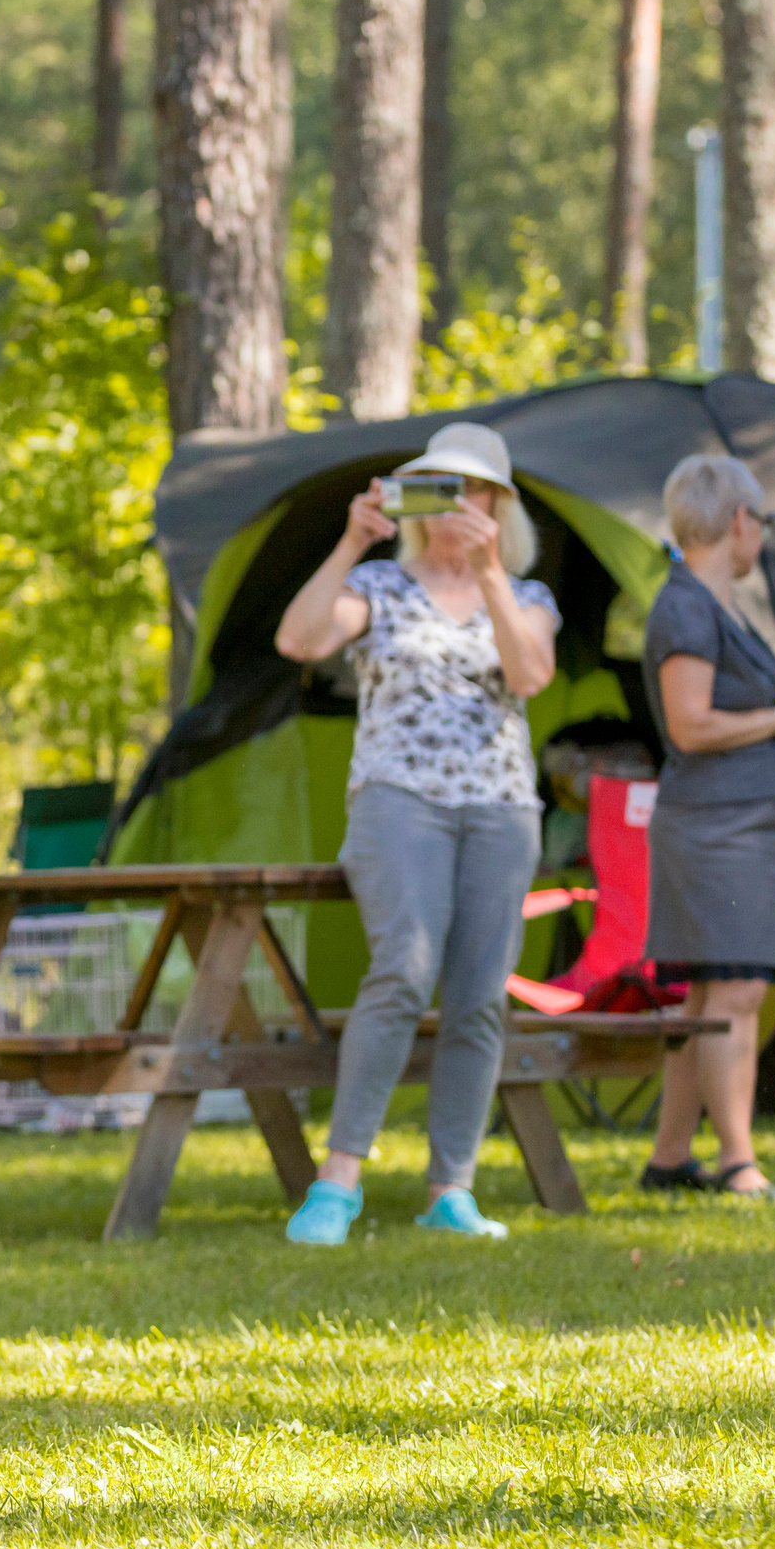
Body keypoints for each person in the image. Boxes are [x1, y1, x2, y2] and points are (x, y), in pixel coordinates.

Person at [271, 422, 560, 1246]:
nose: (456, 504)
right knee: (403, 967)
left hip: (500, 808)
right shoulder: (379, 585)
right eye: (441, 486)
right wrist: (351, 541)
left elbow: (530, 674)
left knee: (479, 996)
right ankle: (338, 1183)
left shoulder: (529, 597)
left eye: (474, 491)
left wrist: (491, 572)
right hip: (399, 799)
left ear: (499, 506)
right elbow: (298, 640)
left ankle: (450, 1189)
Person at [638, 455, 775, 1201]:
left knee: (709, 994)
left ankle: (670, 1159)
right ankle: (738, 1162)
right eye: (762, 521)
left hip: (735, 825)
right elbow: (690, 725)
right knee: (738, 989)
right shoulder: (687, 607)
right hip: (717, 829)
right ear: (740, 520)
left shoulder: (716, 607)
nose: (762, 536)